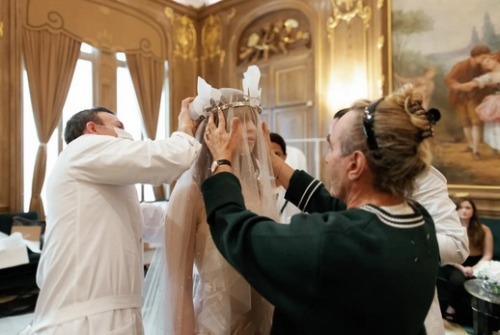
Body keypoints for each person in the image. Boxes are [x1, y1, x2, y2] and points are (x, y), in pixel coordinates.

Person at [201, 84, 440, 334]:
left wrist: (222, 162)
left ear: (355, 164)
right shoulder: (418, 220)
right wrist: (274, 163)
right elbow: (331, 205)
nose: (327, 159)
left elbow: (237, 232)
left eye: (332, 147)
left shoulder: (332, 243)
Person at [25, 100, 201, 335]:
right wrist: (185, 128)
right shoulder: (82, 148)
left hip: (112, 310)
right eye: (118, 125)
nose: (124, 133)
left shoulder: (101, 181)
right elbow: (168, 158)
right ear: (92, 128)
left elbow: (154, 219)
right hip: (85, 317)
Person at [143, 66, 277, 335]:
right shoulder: (190, 192)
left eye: (252, 119)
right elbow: (178, 284)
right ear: (214, 127)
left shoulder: (261, 187)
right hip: (215, 326)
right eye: (238, 119)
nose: (250, 129)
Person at [347, 96, 469, 335]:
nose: (332, 156)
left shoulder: (422, 177)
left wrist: (390, 240)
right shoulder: (342, 178)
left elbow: (457, 244)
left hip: (410, 310)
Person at [439, 197, 493, 325]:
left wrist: (474, 268)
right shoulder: (449, 229)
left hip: (477, 264)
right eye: (460, 208)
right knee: (458, 280)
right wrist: (463, 268)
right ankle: (451, 309)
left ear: (473, 210)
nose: (464, 211)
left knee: (479, 283)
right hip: (454, 263)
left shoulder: (484, 229)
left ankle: (480, 318)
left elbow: (487, 255)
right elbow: (446, 253)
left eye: (468, 207)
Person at [445, 44, 493, 160]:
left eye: (487, 57)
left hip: (475, 97)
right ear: (474, 57)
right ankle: (471, 146)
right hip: (460, 98)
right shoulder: (460, 66)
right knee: (465, 122)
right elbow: (449, 80)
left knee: (476, 122)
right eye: (482, 58)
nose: (485, 60)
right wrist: (460, 87)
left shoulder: (484, 67)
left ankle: (476, 151)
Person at [454, 52, 500, 154]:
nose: (486, 65)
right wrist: (460, 86)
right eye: (484, 64)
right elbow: (474, 83)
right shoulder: (489, 76)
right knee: (494, 125)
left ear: (495, 59)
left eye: (488, 61)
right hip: (495, 102)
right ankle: (496, 146)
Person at [270, 132, 301, 223]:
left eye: (277, 154)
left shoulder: (294, 189)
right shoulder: (255, 188)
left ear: (285, 156)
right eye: (268, 155)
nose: (272, 160)